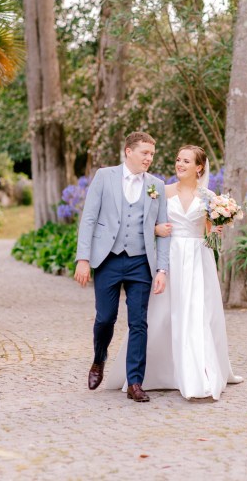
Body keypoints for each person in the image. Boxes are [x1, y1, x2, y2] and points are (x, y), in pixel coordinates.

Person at [106, 145, 243, 400]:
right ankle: (149, 372)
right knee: (161, 313)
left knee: (195, 313)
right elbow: (141, 221)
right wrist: (157, 231)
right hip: (168, 257)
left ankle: (197, 371)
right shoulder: (161, 191)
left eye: (186, 161)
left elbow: (209, 237)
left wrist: (214, 233)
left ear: (199, 167)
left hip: (198, 259)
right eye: (178, 159)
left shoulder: (209, 197)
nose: (179, 164)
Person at [74, 131, 170, 403]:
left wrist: (161, 270)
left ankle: (135, 382)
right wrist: (83, 259)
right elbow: (89, 219)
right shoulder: (105, 177)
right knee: (105, 318)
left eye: (152, 153)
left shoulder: (156, 186)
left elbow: (164, 232)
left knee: (139, 322)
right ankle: (98, 359)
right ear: (129, 151)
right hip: (109, 258)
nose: (149, 158)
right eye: (144, 153)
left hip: (141, 262)